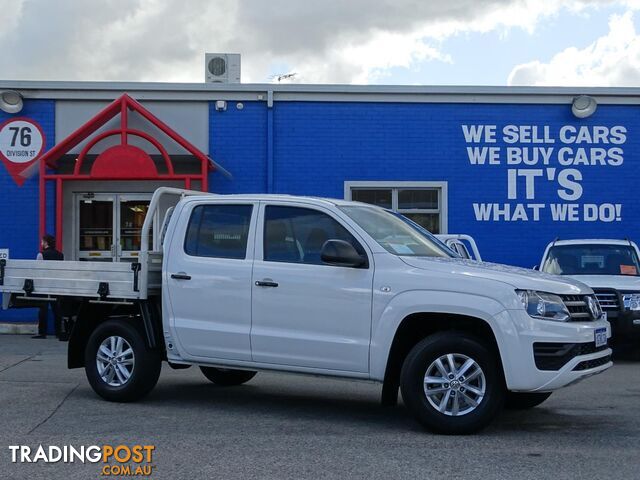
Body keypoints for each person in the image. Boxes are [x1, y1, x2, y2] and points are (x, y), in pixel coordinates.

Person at [32, 234, 64, 340]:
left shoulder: (41, 255)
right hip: (56, 285)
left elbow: (38, 271)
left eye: (42, 242)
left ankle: (42, 332)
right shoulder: (60, 255)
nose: (41, 243)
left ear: (46, 243)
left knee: (43, 309)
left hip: (44, 285)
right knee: (57, 309)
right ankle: (58, 332)